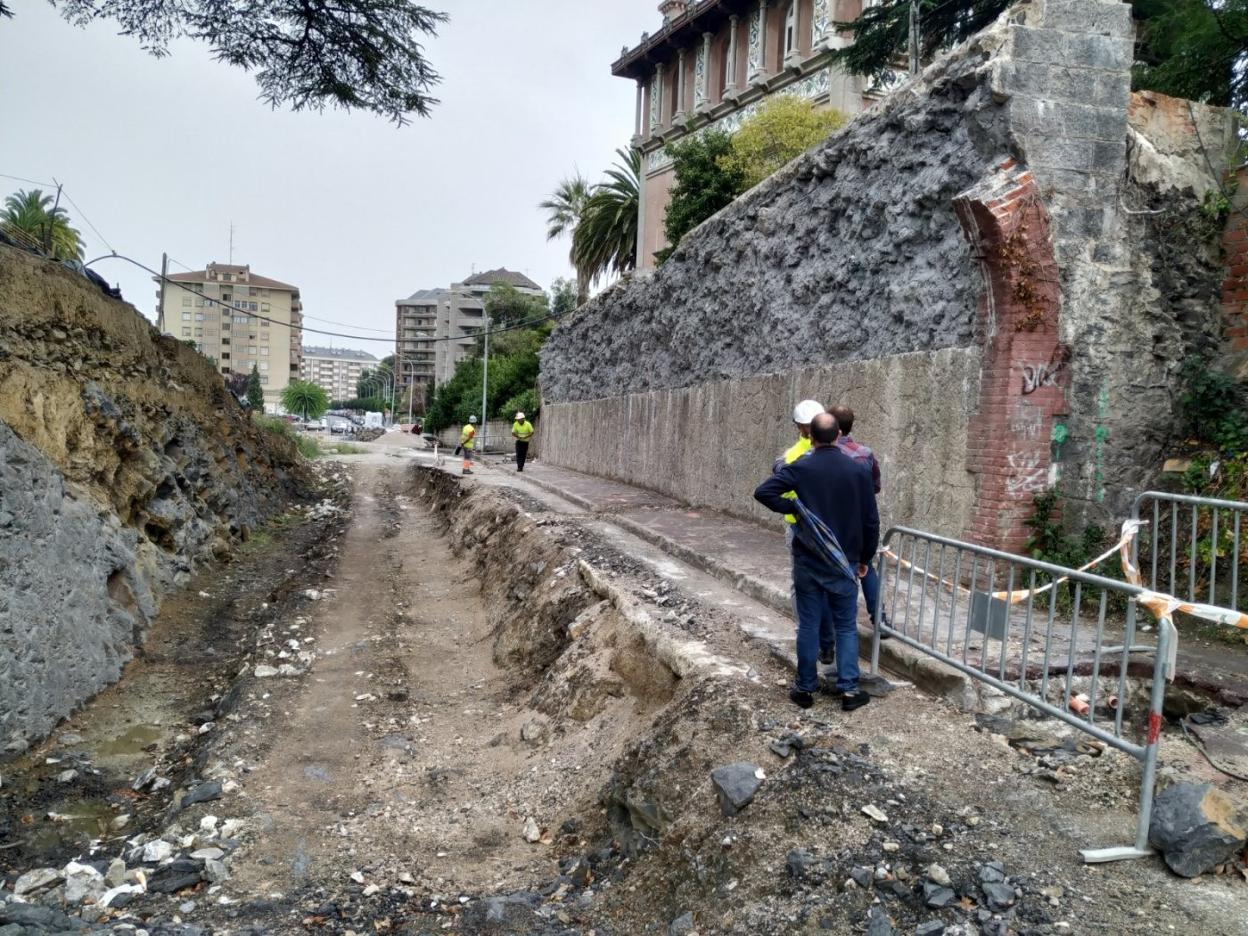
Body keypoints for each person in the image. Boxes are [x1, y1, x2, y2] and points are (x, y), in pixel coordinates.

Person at [754, 412, 879, 712]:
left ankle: (805, 688)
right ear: (838, 436)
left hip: (808, 559)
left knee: (808, 625)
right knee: (846, 626)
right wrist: (865, 558)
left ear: (810, 437)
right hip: (844, 560)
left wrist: (795, 508)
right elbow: (871, 521)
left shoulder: (801, 467)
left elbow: (763, 492)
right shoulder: (858, 470)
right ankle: (849, 690)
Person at [775, 400, 837, 665]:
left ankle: (807, 640)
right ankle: (827, 645)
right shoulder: (841, 455)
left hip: (801, 527)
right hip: (831, 527)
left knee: (802, 586)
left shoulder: (791, 458)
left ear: (800, 427)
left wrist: (793, 507)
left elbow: (771, 491)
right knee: (829, 585)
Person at [828, 405, 890, 638]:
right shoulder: (865, 453)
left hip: (832, 520)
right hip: (859, 520)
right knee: (866, 565)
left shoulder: (824, 454)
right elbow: (875, 486)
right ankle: (879, 619)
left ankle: (834, 627)